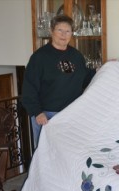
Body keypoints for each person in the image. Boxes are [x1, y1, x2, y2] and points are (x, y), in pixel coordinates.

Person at [21, 15, 97, 149]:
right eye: (59, 30)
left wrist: (104, 69)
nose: (64, 35)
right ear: (52, 31)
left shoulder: (76, 55)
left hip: (71, 115)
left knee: (67, 155)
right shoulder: (39, 57)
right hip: (46, 117)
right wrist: (37, 112)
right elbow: (29, 88)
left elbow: (86, 78)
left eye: (67, 31)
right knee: (46, 157)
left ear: (71, 33)